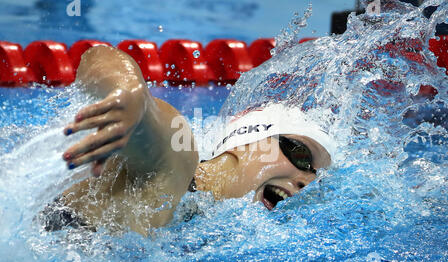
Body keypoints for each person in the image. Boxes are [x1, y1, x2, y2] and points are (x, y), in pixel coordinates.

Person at [41, 45, 334, 236]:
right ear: (249, 139)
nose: (306, 180)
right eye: (300, 155)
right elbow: (99, 56)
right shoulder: (179, 167)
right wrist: (129, 94)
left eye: (316, 177)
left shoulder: (210, 223)